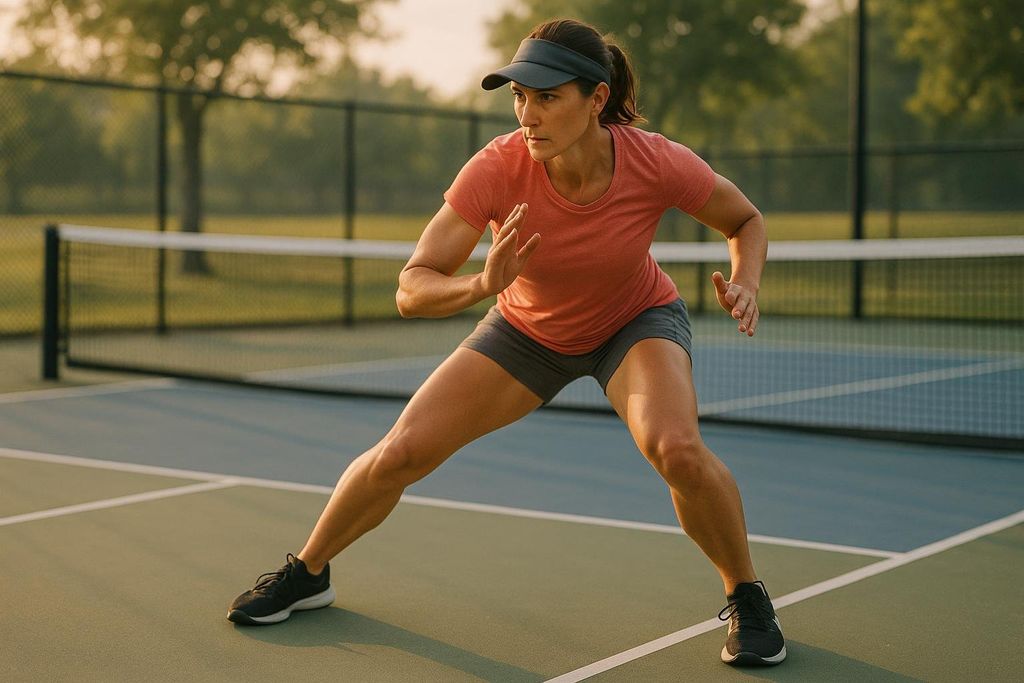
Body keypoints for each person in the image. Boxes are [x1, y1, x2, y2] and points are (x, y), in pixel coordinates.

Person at [227, 18, 786, 667]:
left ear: (596, 99)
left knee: (677, 448)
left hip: (633, 320)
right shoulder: (496, 166)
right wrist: (480, 286)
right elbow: (412, 287)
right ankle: (308, 571)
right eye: (520, 96)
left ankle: (747, 596)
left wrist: (746, 279)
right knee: (402, 450)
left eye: (546, 96)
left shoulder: (654, 160)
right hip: (525, 331)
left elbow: (744, 218)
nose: (528, 112)